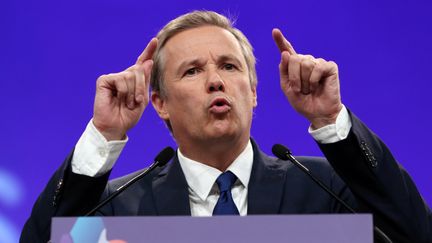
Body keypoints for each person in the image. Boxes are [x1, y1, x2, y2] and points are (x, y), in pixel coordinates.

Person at [21, 10, 431, 243]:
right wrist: (104, 133)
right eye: (193, 70)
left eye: (229, 66)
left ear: (253, 92)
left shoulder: (327, 188)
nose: (215, 80)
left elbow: (414, 234)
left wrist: (329, 120)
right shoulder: (118, 208)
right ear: (159, 103)